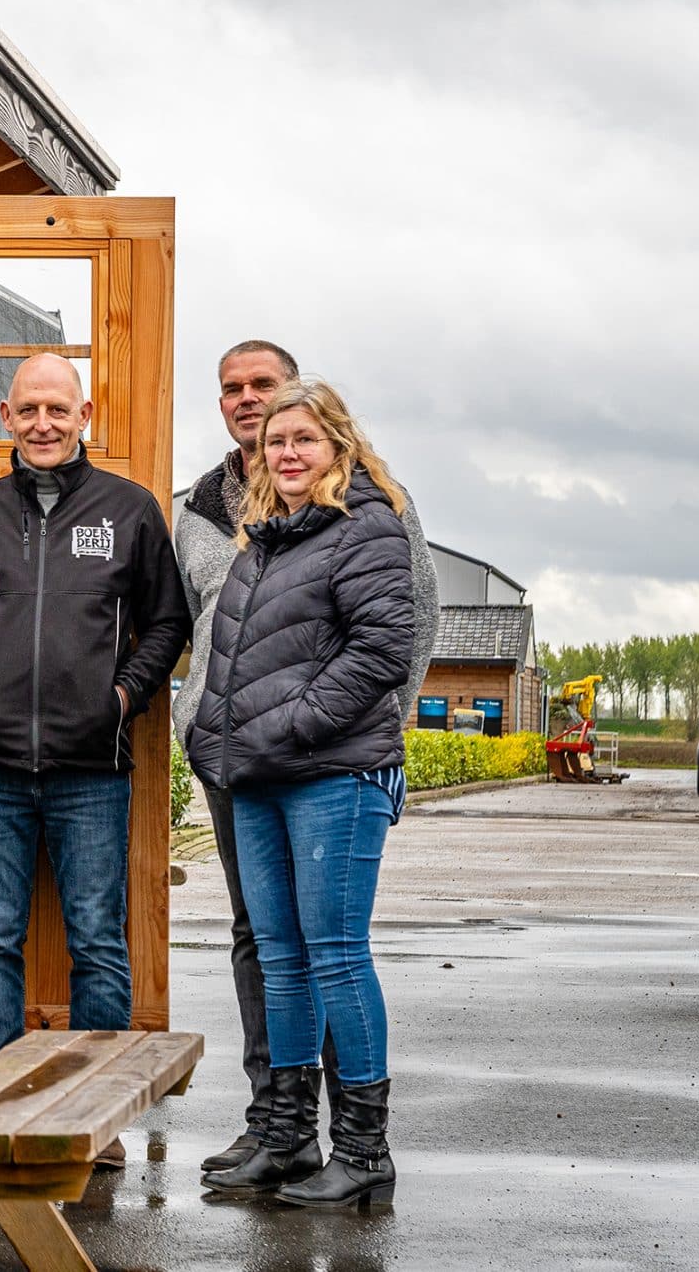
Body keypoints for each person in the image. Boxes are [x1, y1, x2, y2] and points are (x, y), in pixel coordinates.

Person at [172, 341, 436, 1176]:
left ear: (338, 447)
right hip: (252, 776)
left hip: (330, 773)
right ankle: (287, 1135)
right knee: (279, 955)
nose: (286, 452)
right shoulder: (261, 536)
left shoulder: (369, 524)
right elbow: (219, 652)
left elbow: (383, 648)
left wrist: (290, 726)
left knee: (335, 953)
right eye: (277, 442)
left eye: (304, 440)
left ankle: (362, 1148)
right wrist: (213, 739)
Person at [0, 353, 189, 1167]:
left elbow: (169, 623)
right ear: (4, 417)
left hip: (91, 768)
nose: (44, 422)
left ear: (86, 415)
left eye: (59, 408)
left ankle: (94, 1114)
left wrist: (120, 699)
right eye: (28, 408)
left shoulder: (130, 509)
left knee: (98, 941)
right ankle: (0, 1104)